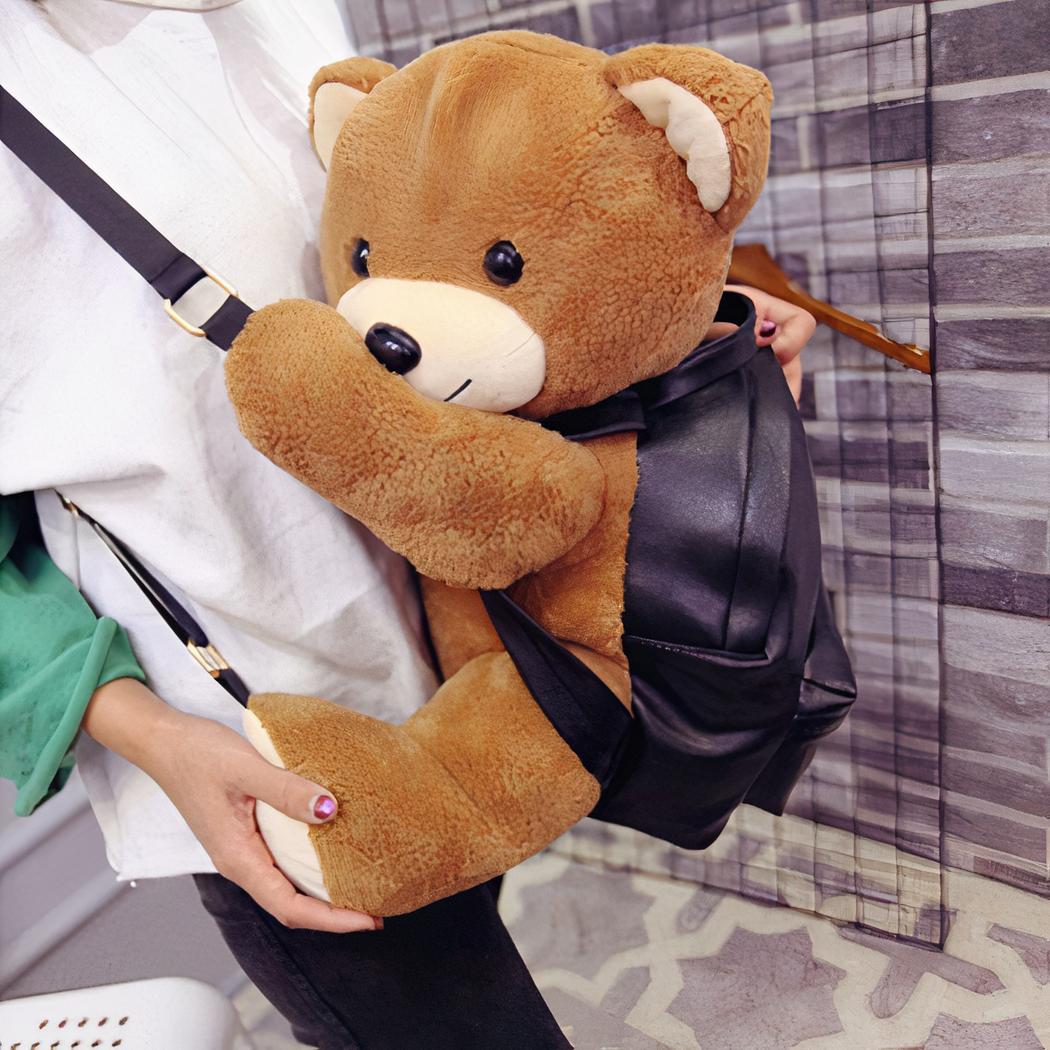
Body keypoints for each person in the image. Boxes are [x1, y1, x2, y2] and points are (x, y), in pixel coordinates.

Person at [0, 1, 815, 1046]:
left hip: (478, 651)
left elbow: (457, 246)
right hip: (269, 748)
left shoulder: (284, 14)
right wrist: (149, 737)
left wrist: (660, 316)